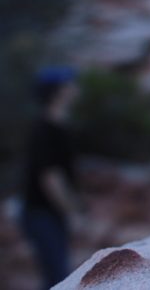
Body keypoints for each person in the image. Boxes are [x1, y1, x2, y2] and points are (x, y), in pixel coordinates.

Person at [20, 66, 82, 289]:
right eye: (69, 84)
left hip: (49, 213)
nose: (75, 88)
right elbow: (51, 178)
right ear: (58, 91)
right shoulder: (45, 129)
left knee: (56, 274)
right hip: (41, 214)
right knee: (57, 277)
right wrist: (72, 212)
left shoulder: (59, 125)